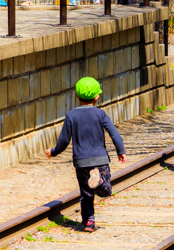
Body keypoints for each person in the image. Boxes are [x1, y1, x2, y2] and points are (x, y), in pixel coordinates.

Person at [45, 77, 126, 233]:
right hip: (99, 160)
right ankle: (100, 182)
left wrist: (53, 152)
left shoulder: (71, 116)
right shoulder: (100, 114)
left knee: (86, 193)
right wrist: (120, 151)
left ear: (76, 95)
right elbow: (114, 134)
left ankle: (88, 222)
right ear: (97, 97)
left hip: (81, 162)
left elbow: (63, 141)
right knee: (106, 191)